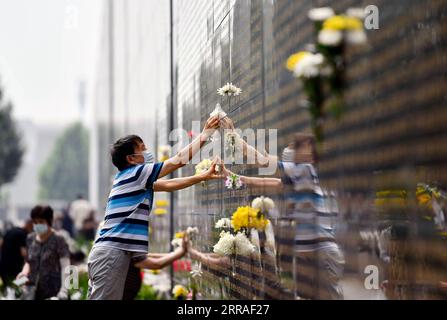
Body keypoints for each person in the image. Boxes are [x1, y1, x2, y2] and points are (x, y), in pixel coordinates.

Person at [87, 115, 222, 300]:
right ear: (131, 158)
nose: (147, 153)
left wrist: (201, 177)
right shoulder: (136, 173)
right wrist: (206, 134)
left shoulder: (129, 178)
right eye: (142, 149)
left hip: (108, 253)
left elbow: (168, 184)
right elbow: (178, 161)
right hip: (111, 254)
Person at [221, 123, 345, 300]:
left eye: (296, 146)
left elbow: (261, 160)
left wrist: (233, 135)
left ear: (310, 153)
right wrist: (229, 176)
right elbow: (259, 182)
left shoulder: (305, 170)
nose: (291, 150)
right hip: (307, 252)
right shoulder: (296, 180)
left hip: (323, 252)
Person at [16, 205, 71, 300]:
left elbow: (66, 266)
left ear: (49, 221)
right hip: (32, 291)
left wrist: (64, 290)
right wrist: (23, 273)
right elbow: (29, 261)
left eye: (41, 222)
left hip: (54, 292)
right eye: (35, 222)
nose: (37, 225)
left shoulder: (59, 239)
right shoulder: (30, 238)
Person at [0, 220, 33, 288]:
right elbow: (24, 253)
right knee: (19, 284)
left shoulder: (11, 231)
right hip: (14, 268)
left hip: (3, 266)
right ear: (30, 226)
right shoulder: (23, 234)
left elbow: (1, 244)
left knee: (7, 290)